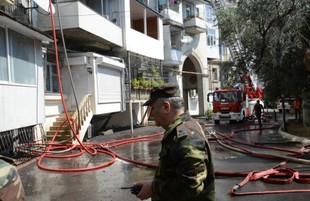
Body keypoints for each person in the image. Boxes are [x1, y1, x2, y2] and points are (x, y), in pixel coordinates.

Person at [134, 83, 215, 201]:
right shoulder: (180, 129)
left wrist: (153, 188)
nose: (151, 114)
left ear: (166, 107)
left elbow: (189, 186)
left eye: (153, 108)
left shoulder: (186, 136)